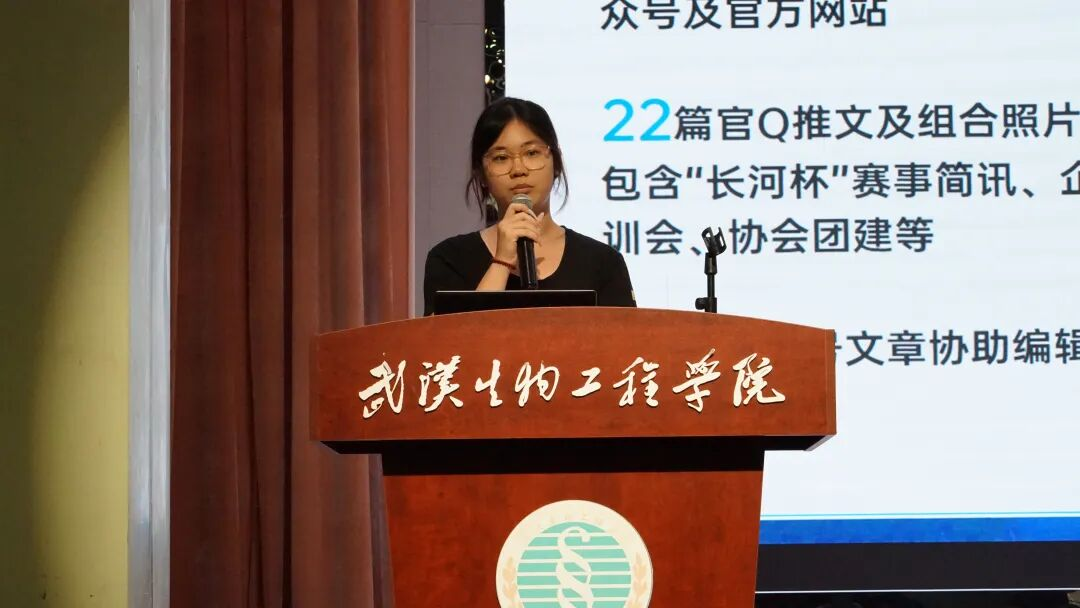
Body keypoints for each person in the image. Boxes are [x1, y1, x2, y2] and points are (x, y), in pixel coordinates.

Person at [423, 97, 637, 315]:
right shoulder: (450, 259)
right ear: (481, 174)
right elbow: (455, 335)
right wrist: (502, 262)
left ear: (556, 162)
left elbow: (624, 335)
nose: (519, 169)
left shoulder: (602, 262)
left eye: (532, 153)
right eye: (501, 158)